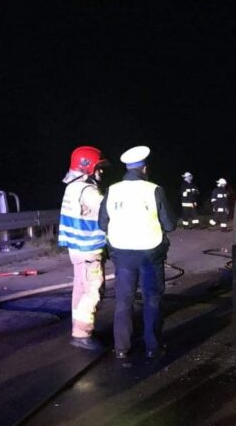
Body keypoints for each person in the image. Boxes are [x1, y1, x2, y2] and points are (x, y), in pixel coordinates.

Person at [98, 145, 177, 361]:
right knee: (152, 299)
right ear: (144, 168)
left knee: (124, 300)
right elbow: (170, 224)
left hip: (122, 255)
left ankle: (121, 348)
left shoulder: (112, 190)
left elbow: (102, 223)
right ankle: (153, 347)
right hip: (150, 254)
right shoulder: (154, 190)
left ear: (127, 168)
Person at [59, 146, 108, 350]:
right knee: (93, 290)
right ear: (87, 167)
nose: (101, 171)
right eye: (98, 167)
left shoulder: (72, 187)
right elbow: (107, 211)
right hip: (89, 249)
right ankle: (82, 334)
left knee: (80, 289)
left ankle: (77, 328)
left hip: (77, 248)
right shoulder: (88, 191)